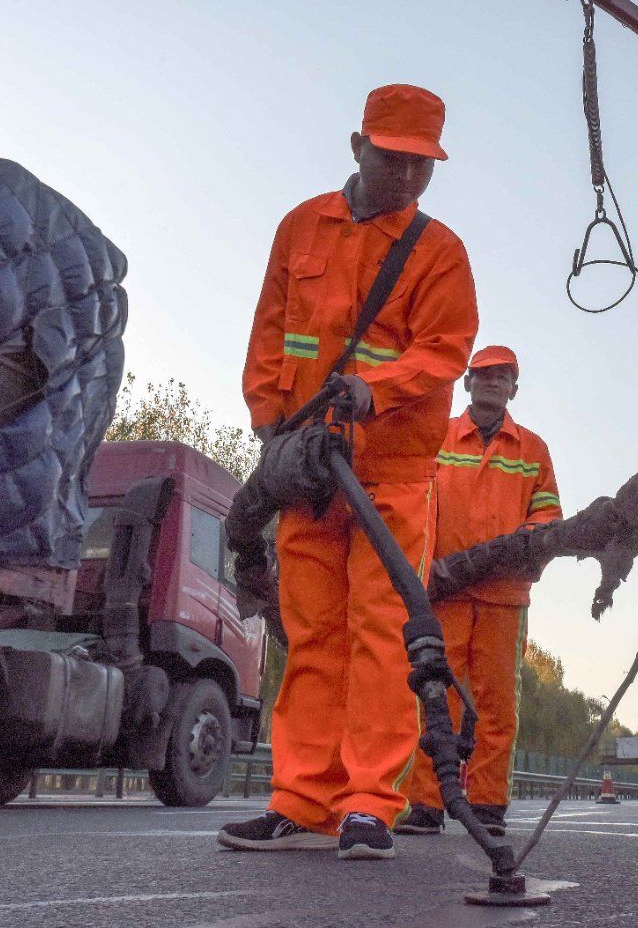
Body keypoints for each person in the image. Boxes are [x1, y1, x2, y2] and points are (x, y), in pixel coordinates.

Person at [223, 84, 478, 860]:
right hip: (307, 473)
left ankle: (369, 802)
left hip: (391, 479)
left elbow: (444, 351)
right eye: (392, 158)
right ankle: (299, 797)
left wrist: (378, 390)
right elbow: (272, 335)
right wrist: (270, 429)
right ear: (357, 146)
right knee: (311, 637)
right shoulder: (301, 228)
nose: (406, 176)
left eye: (420, 165)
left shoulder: (439, 251)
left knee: (381, 638)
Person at [393, 345, 561, 838]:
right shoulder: (436, 437)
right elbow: (409, 501)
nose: (492, 381)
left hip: (503, 597)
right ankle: (424, 802)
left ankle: (487, 802)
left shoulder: (533, 450)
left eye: (502, 375)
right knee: (433, 696)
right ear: (467, 383)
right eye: (483, 374)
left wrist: (528, 545)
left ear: (514, 387)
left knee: (495, 703)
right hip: (440, 592)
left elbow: (548, 517)